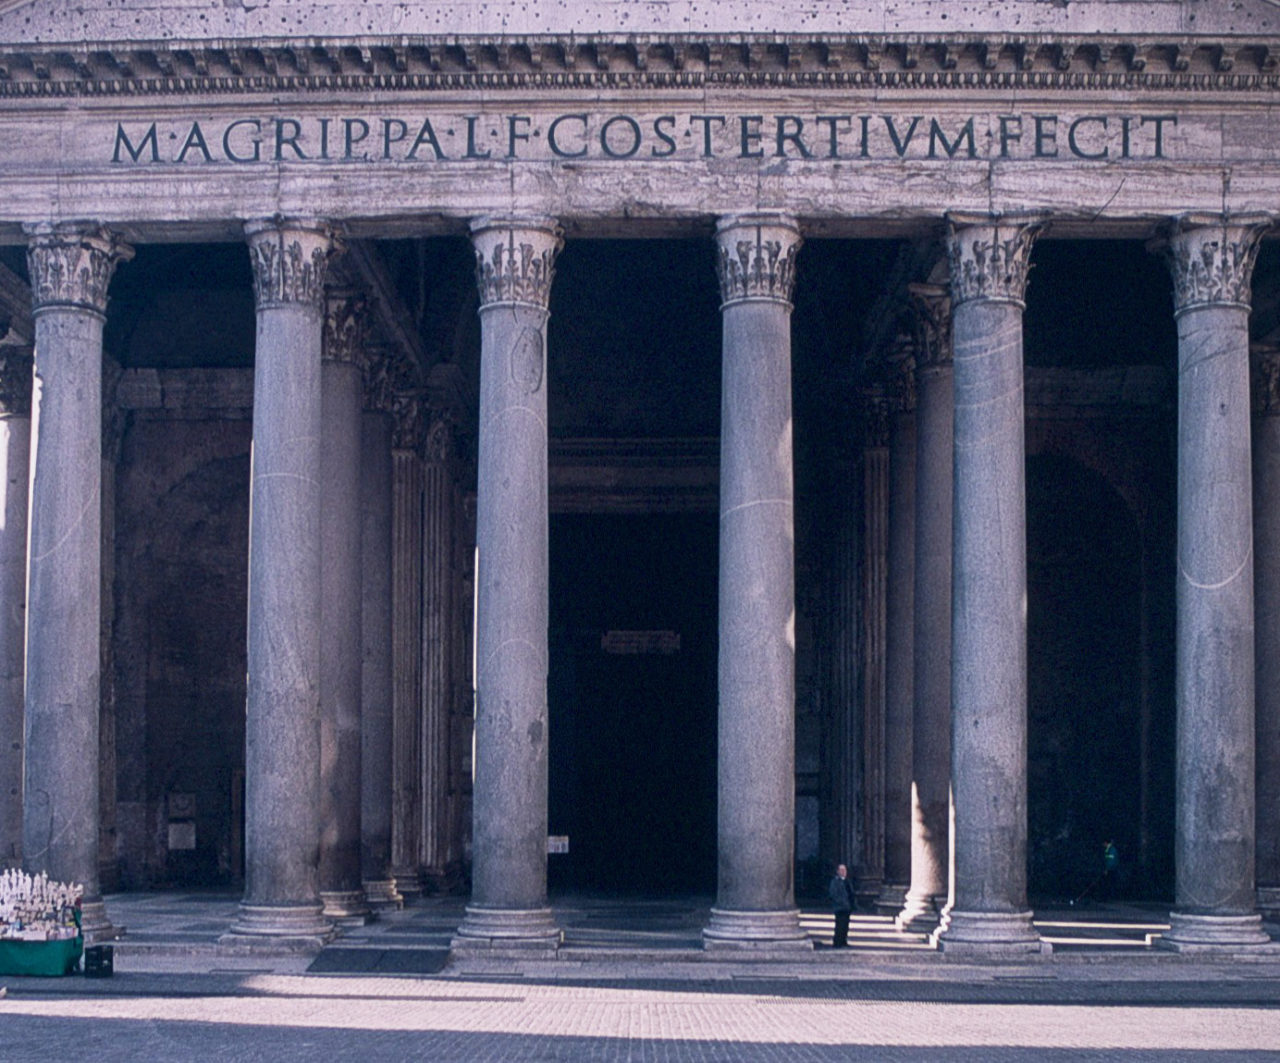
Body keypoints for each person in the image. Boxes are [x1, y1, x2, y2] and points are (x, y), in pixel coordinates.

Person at [828, 863, 854, 948]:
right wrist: (840, 902)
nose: (843, 872)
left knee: (845, 925)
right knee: (839, 925)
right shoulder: (835, 882)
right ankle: (837, 942)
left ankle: (843, 940)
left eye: (845, 870)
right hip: (839, 907)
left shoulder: (847, 881)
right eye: (841, 870)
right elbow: (833, 894)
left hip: (847, 907)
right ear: (838, 871)